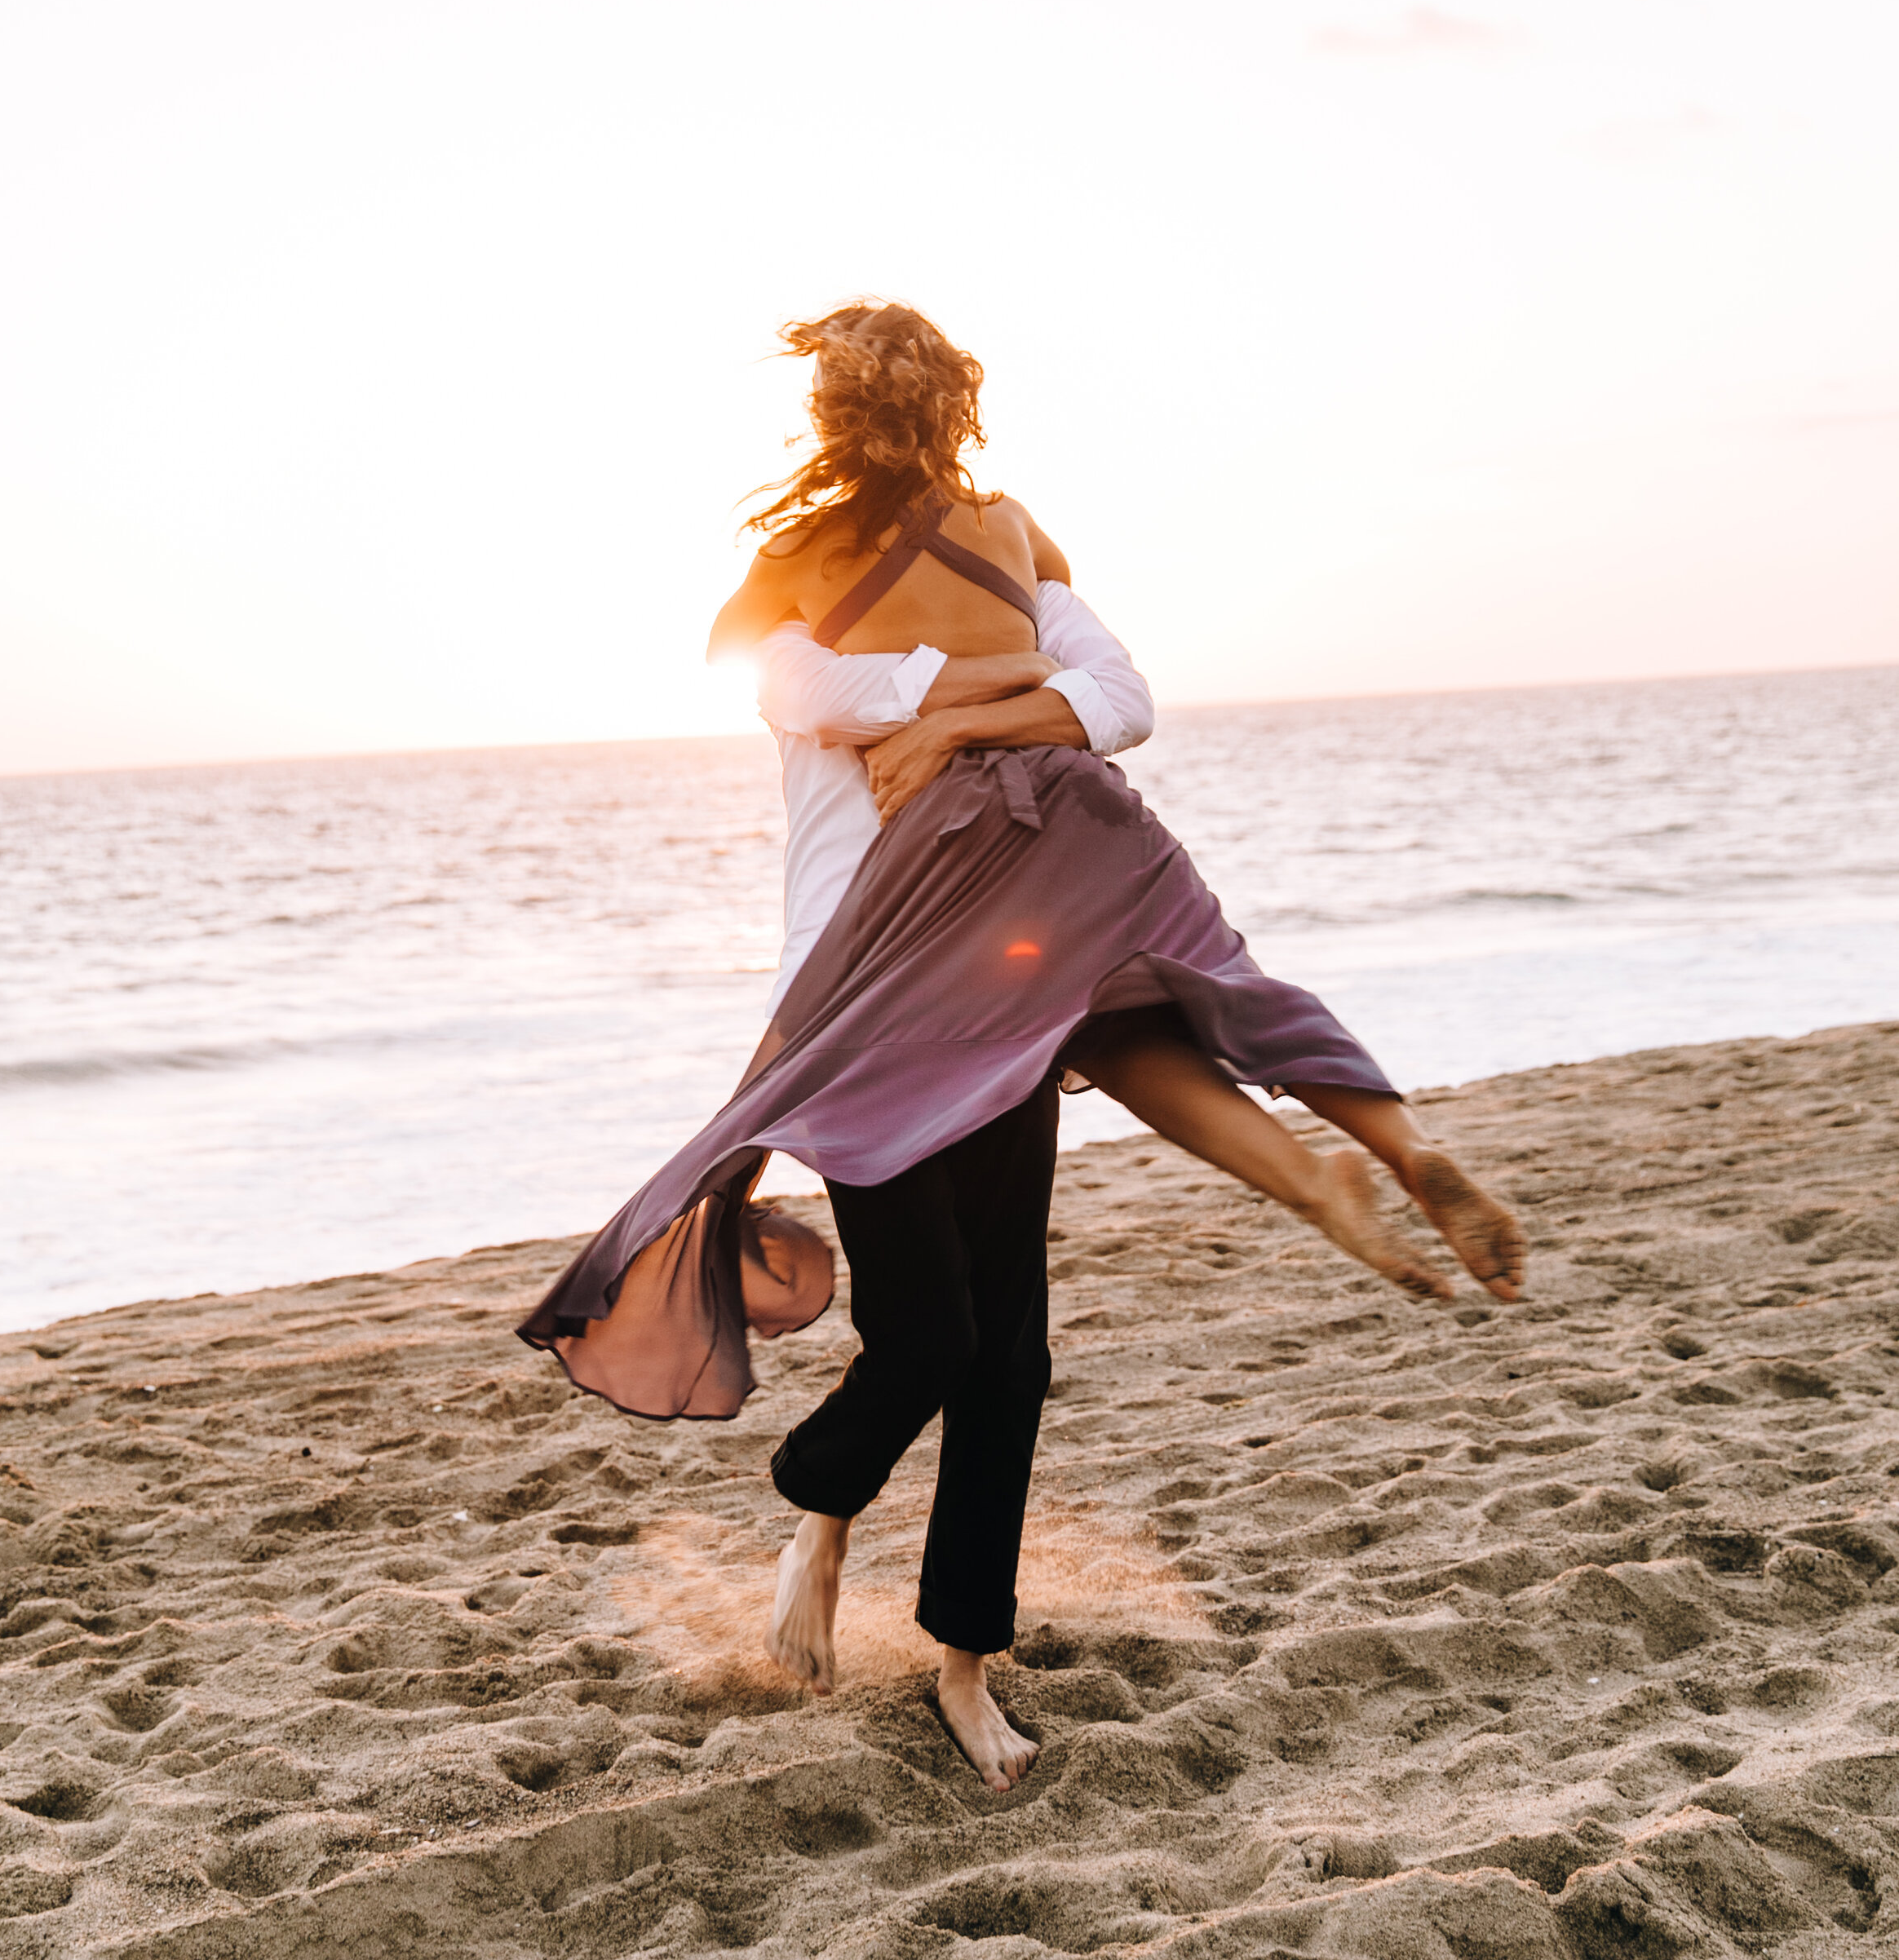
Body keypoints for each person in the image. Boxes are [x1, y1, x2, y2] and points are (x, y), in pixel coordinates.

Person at [520, 303, 1525, 1786]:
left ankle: (962, 1665)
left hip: (999, 984)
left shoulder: (1000, 539)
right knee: (929, 1332)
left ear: (832, 414)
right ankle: (820, 1515)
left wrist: (966, 698)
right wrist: (992, 691)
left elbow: (1121, 701)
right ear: (949, 404)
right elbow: (795, 686)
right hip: (863, 998)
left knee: (1011, 1354)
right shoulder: (855, 562)